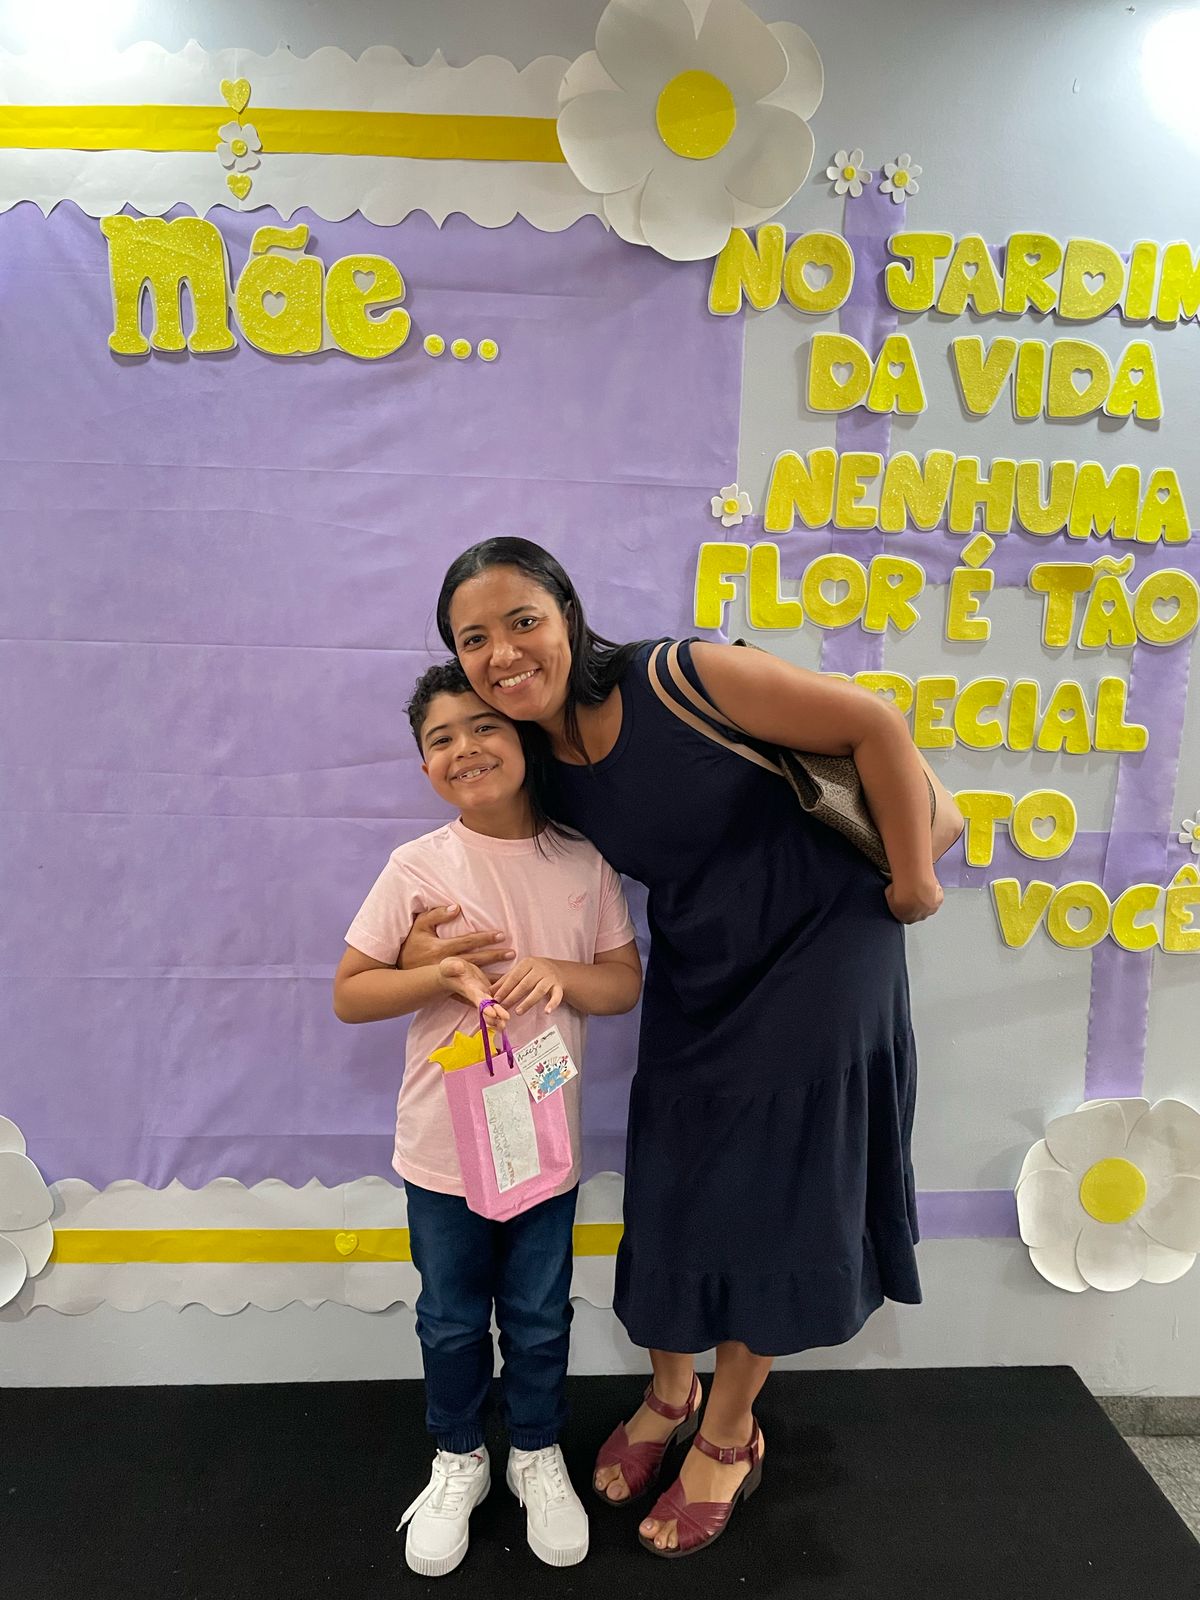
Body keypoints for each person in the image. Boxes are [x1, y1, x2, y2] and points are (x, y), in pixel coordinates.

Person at [394, 537, 960, 1561]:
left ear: (568, 614)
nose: (504, 652)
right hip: (702, 959)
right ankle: (670, 1391)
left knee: (778, 1186)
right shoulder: (540, 763)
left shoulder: (680, 676)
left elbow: (872, 723)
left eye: (523, 620)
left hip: (824, 946)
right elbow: (502, 856)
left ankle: (730, 1431)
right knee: (673, 1170)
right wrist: (430, 941)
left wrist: (915, 880)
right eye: (474, 639)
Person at [333, 659, 641, 1577]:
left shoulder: (583, 863)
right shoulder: (417, 867)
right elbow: (350, 992)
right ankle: (459, 1456)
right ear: (424, 765)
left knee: (540, 1316)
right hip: (441, 1151)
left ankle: (536, 1453)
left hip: (543, 1148)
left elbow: (622, 984)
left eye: (483, 727)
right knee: (451, 1319)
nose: (464, 748)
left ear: (524, 738)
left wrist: (560, 973)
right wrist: (435, 974)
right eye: (441, 739)